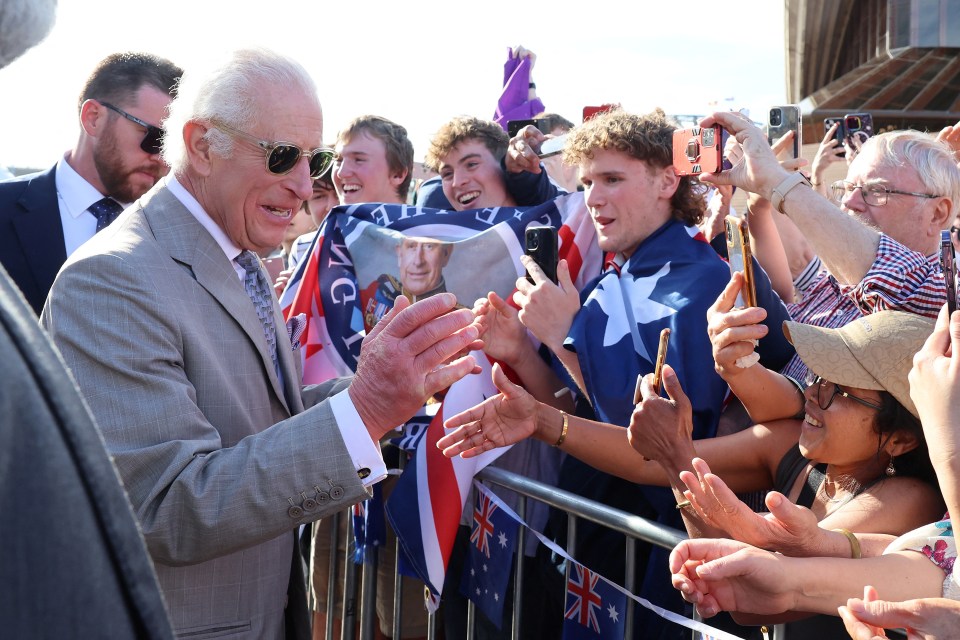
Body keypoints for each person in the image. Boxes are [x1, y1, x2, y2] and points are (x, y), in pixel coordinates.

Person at [40, 48, 482, 640]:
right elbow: (165, 507)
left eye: (316, 158)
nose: (305, 185)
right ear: (201, 145)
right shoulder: (112, 280)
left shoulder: (235, 251)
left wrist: (391, 380)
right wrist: (367, 407)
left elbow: (261, 414)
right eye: (281, 157)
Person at [705, 115, 957, 425]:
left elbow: (900, 277)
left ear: (938, 213)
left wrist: (778, 183)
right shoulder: (831, 277)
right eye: (848, 187)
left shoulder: (945, 301)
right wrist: (763, 194)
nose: (850, 201)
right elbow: (797, 265)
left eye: (877, 191)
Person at [0, 51, 182, 315]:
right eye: (153, 137)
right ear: (93, 117)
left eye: (172, 147)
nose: (161, 158)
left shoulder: (180, 237)